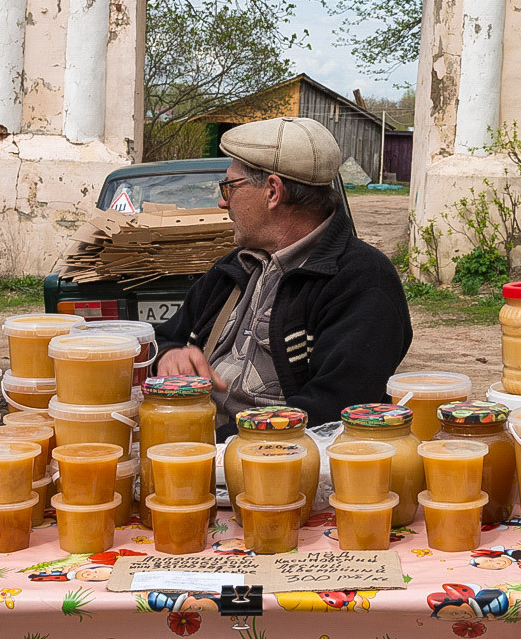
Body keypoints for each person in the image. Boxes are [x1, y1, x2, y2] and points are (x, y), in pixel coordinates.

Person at [154, 116, 413, 435]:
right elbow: (164, 338)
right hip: (191, 440)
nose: (222, 202)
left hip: (266, 465)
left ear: (273, 191)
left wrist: (203, 443)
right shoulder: (237, 266)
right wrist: (169, 356)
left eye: (229, 187)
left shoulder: (362, 281)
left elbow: (331, 414)